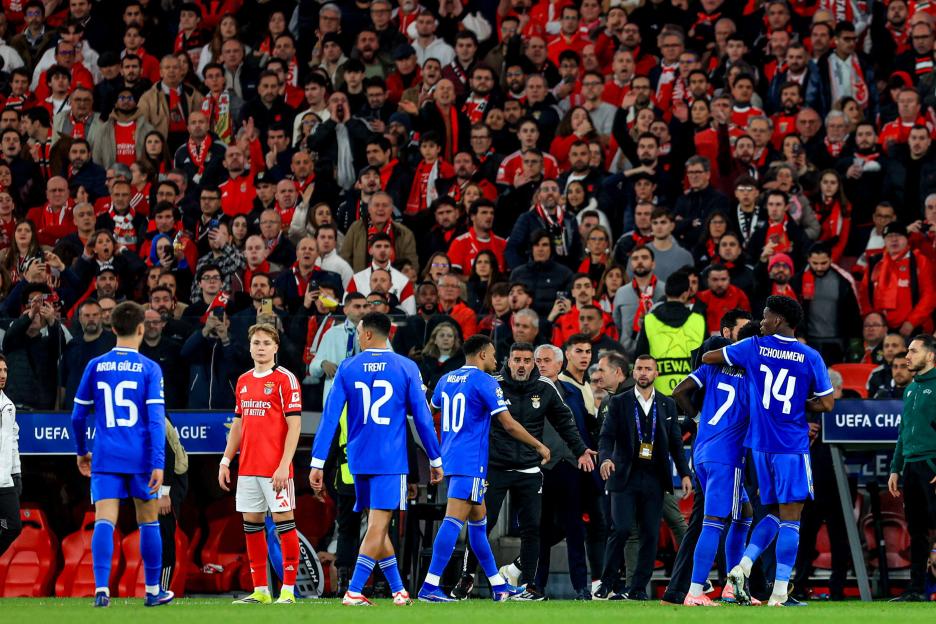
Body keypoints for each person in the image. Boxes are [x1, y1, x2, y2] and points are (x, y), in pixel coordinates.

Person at [703, 295, 835, 606]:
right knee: (792, 518)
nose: (760, 323)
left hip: (760, 446)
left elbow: (710, 357)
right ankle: (778, 594)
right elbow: (827, 403)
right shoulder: (809, 356)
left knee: (774, 512)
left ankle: (742, 567)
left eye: (764, 317)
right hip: (791, 445)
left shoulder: (751, 347)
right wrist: (801, 403)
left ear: (778, 320)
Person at [309, 312, 444, 607]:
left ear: (369, 334)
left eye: (359, 332)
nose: (358, 337)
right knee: (378, 526)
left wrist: (317, 462)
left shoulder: (347, 367)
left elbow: (329, 420)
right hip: (389, 460)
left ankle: (398, 590)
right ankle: (355, 590)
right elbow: (422, 419)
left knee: (376, 524)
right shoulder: (406, 367)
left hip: (357, 460)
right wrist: (435, 458)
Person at [418, 335, 546, 602]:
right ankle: (430, 585)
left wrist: (435, 455)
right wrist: (538, 445)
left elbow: (426, 417)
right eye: (493, 354)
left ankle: (499, 586)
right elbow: (508, 424)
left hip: (452, 458)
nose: (496, 360)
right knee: (453, 522)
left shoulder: (446, 379)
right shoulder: (485, 381)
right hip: (471, 462)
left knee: (479, 525)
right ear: (483, 355)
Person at [70, 301, 173, 607]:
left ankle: (101, 588)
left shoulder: (96, 365)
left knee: (104, 520)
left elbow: (77, 416)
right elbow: (156, 421)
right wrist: (158, 462)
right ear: (141, 328)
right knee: (148, 521)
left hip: (105, 456)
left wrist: (81, 451)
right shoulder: (150, 368)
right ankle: (153, 590)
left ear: (112, 328)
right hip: (140, 457)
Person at [672, 323, 761, 606]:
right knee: (713, 522)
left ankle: (732, 588)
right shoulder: (754, 376)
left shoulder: (712, 367)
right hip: (727, 456)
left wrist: (698, 420)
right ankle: (696, 592)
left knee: (744, 513)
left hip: (702, 451)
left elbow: (679, 391)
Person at [594, 354, 693, 601]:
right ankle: (606, 583)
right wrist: (605, 458)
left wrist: (684, 474)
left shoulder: (667, 404)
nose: (643, 373)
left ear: (656, 374)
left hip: (654, 478)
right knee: (622, 528)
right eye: (639, 368)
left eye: (648, 369)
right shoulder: (619, 402)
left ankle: (637, 588)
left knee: (650, 533)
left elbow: (675, 444)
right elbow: (606, 437)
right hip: (624, 476)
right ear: (633, 373)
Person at [218, 323, 302, 605]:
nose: (261, 347)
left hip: (275, 469)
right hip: (248, 468)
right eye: (256, 342)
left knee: (284, 525)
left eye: (267, 342)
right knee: (251, 525)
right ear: (250, 346)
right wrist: (226, 459)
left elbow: (295, 425)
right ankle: (261, 590)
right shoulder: (243, 381)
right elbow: (239, 424)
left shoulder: (285, 379)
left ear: (276, 347)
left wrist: (283, 465)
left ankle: (288, 590)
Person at [887, 334, 936, 602]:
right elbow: (903, 431)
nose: (907, 356)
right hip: (912, 467)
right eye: (908, 351)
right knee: (917, 531)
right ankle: (916, 590)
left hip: (932, 465)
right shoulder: (911, 389)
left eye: (914, 352)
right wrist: (896, 468)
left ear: (930, 356)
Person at [0, 355, 21, 559]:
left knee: (13, 526)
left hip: (4, 481)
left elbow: (13, 441)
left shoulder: (9, 405)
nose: (3, 375)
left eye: (5, 370)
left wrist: (16, 473)